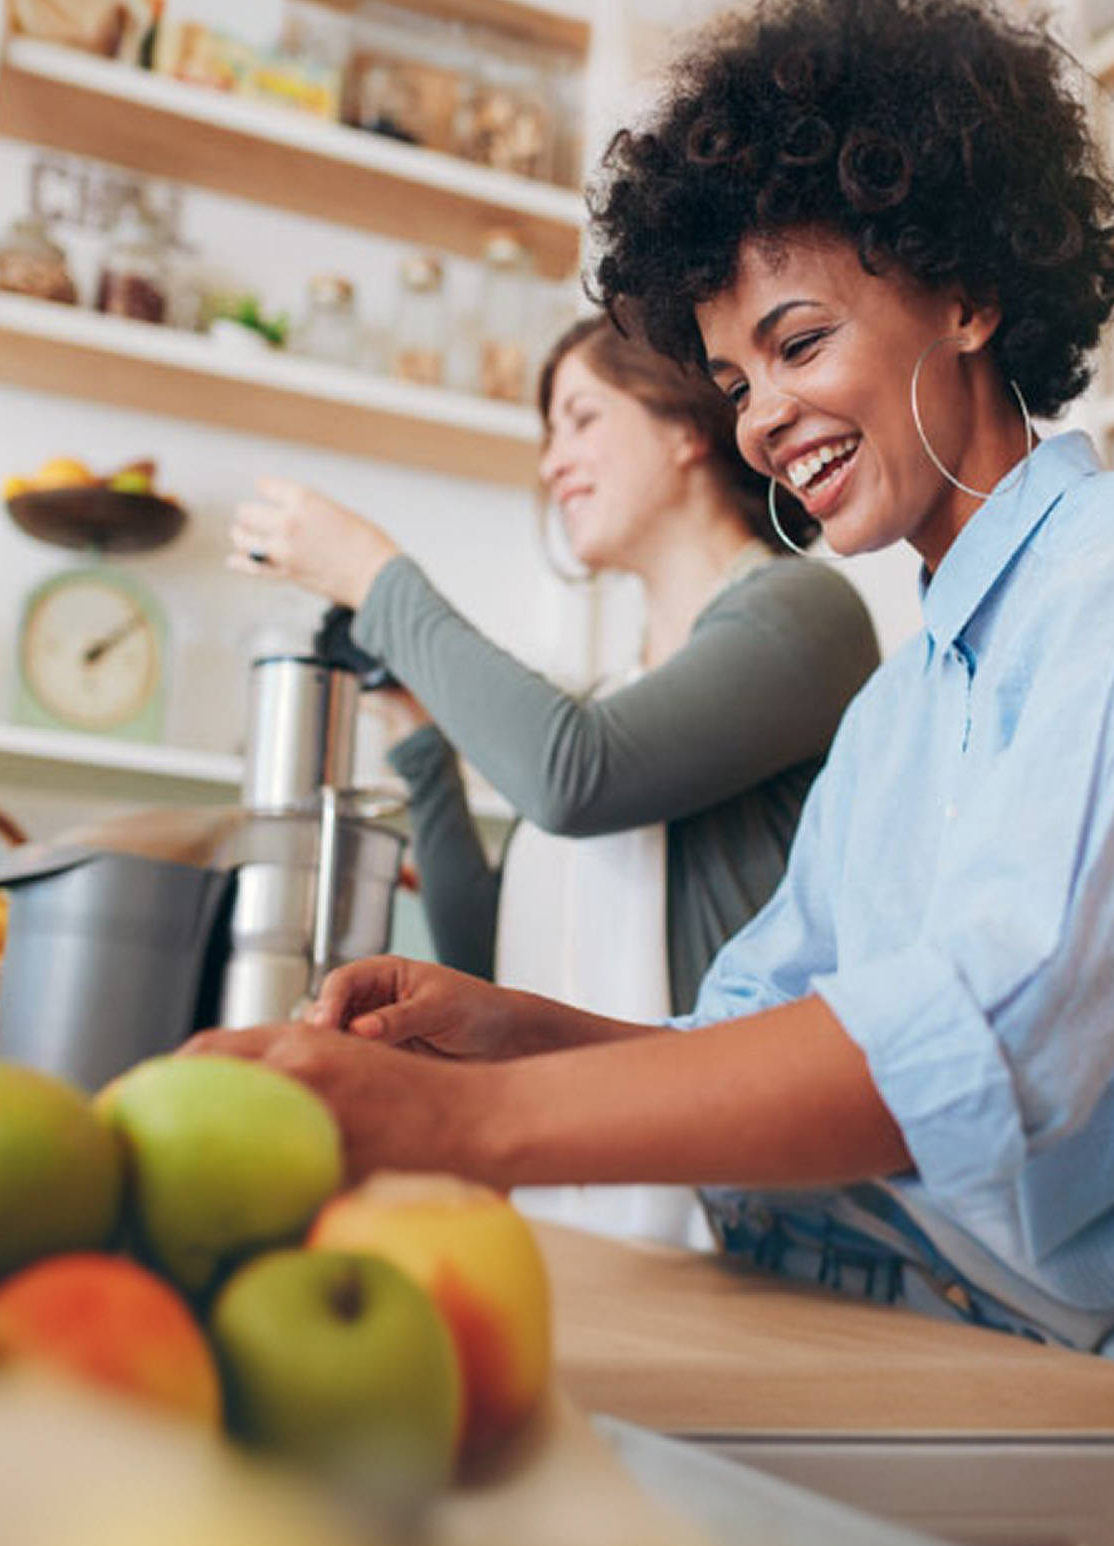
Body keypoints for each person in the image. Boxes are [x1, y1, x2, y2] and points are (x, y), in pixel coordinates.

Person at [193, 0, 1114, 1546]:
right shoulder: (903, 701)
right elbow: (776, 1028)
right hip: (1069, 1373)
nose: (765, 419)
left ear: (969, 288)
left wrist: (453, 1132)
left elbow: (986, 1031)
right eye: (735, 378)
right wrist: (506, 1031)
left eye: (801, 343)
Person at [222, 316, 876, 1241]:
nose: (552, 464)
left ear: (685, 424)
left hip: (736, 1220)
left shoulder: (802, 611)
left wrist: (374, 577)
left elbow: (574, 776)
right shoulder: (610, 700)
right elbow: (490, 962)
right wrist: (420, 742)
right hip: (571, 1210)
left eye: (580, 419)